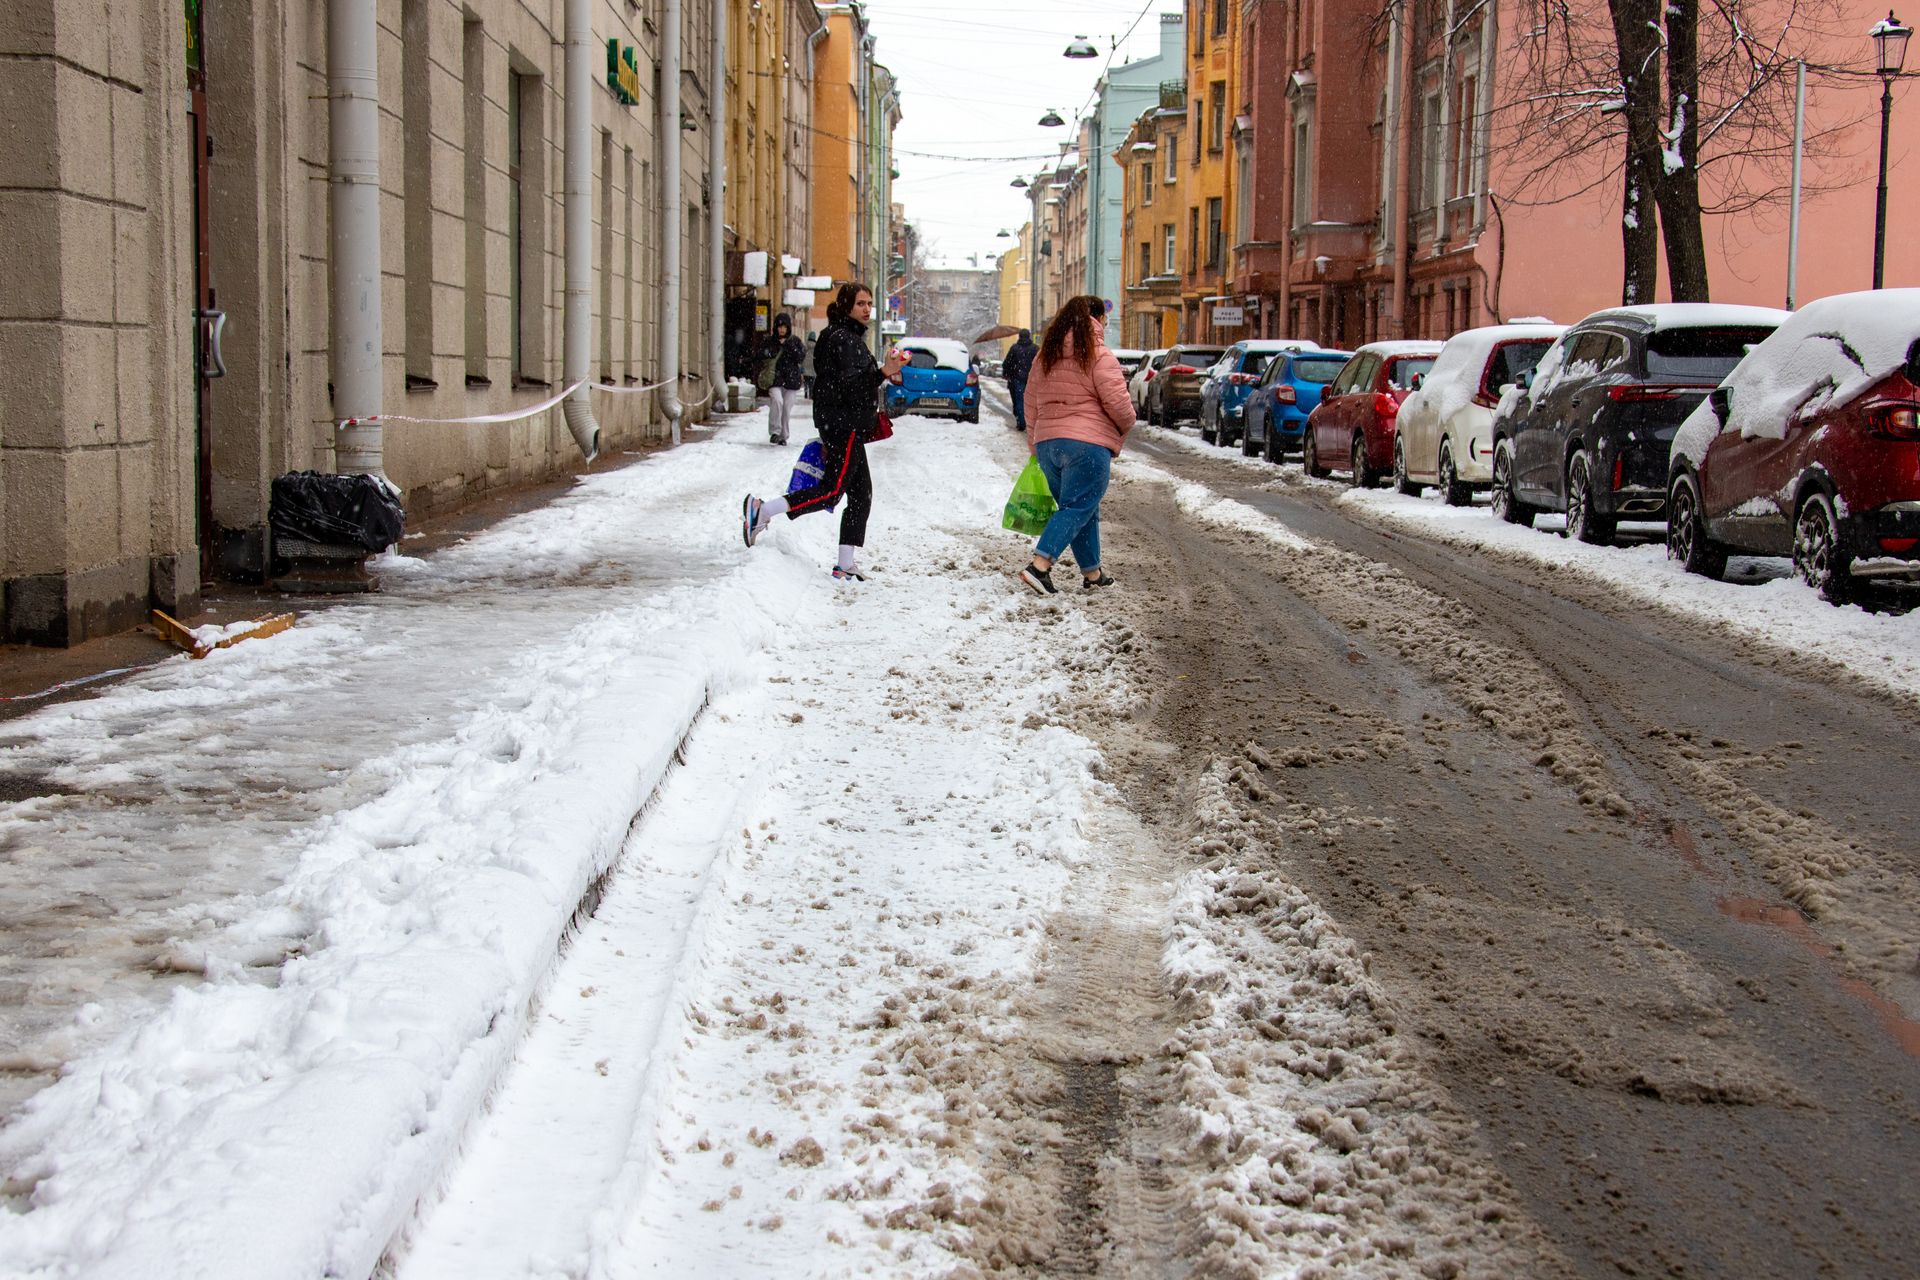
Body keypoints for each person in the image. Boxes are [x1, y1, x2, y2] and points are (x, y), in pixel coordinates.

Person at [741, 283, 905, 580]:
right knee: (830, 492)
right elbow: (849, 387)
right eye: (860, 304)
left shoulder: (845, 337)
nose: (867, 309)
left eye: (869, 303)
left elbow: (850, 382)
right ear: (846, 307)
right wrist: (882, 372)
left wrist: (884, 372)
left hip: (844, 423)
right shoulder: (845, 340)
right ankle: (763, 510)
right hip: (845, 425)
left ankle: (845, 564)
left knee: (861, 495)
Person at [1018, 297, 1132, 595]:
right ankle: (1039, 566)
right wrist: (1123, 427)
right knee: (1077, 506)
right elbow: (1119, 405)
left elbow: (1030, 401)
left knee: (1082, 508)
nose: (1106, 324)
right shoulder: (1098, 353)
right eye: (1104, 318)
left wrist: (1035, 441)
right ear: (1096, 319)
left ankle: (1093, 574)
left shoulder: (1046, 354)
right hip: (1087, 445)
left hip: (1049, 445)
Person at [764, 313, 805, 445]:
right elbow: (762, 355)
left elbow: (800, 357)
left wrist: (788, 345)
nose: (782, 329)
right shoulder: (770, 341)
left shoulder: (795, 341)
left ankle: (783, 435)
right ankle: (775, 432)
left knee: (787, 407)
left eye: (784, 327)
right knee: (777, 401)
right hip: (775, 379)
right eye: (779, 327)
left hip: (791, 381)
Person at [1002, 329, 1038, 431]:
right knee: (1032, 401)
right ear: (1029, 336)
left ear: (1019, 336)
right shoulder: (1035, 349)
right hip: (1032, 379)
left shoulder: (1014, 348)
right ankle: (1031, 422)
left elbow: (1006, 363)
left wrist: (1006, 374)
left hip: (1017, 379)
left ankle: (1021, 422)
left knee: (1019, 401)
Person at [801, 330, 819, 399]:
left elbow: (802, 355)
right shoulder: (816, 346)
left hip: (805, 365)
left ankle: (805, 392)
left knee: (806, 381)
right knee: (811, 382)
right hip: (812, 367)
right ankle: (811, 394)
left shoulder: (805, 345)